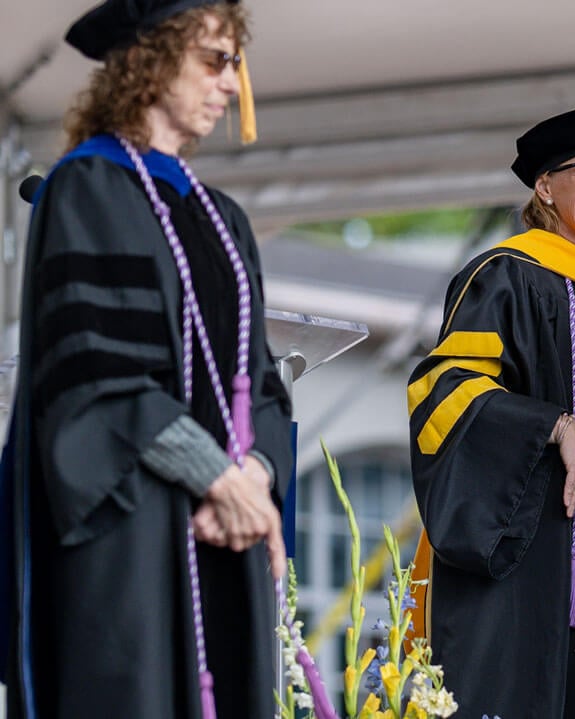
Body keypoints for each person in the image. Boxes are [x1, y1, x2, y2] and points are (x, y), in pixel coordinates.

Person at [2, 1, 293, 716]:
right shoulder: (86, 188)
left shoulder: (223, 219)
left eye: (236, 63)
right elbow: (93, 375)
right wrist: (215, 480)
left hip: (226, 529)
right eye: (214, 60)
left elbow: (258, 378)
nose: (231, 83)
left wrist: (254, 476)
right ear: (144, 60)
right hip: (135, 530)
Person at [406, 106, 575, 719]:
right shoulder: (508, 277)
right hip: (548, 566)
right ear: (545, 186)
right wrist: (555, 425)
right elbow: (445, 388)